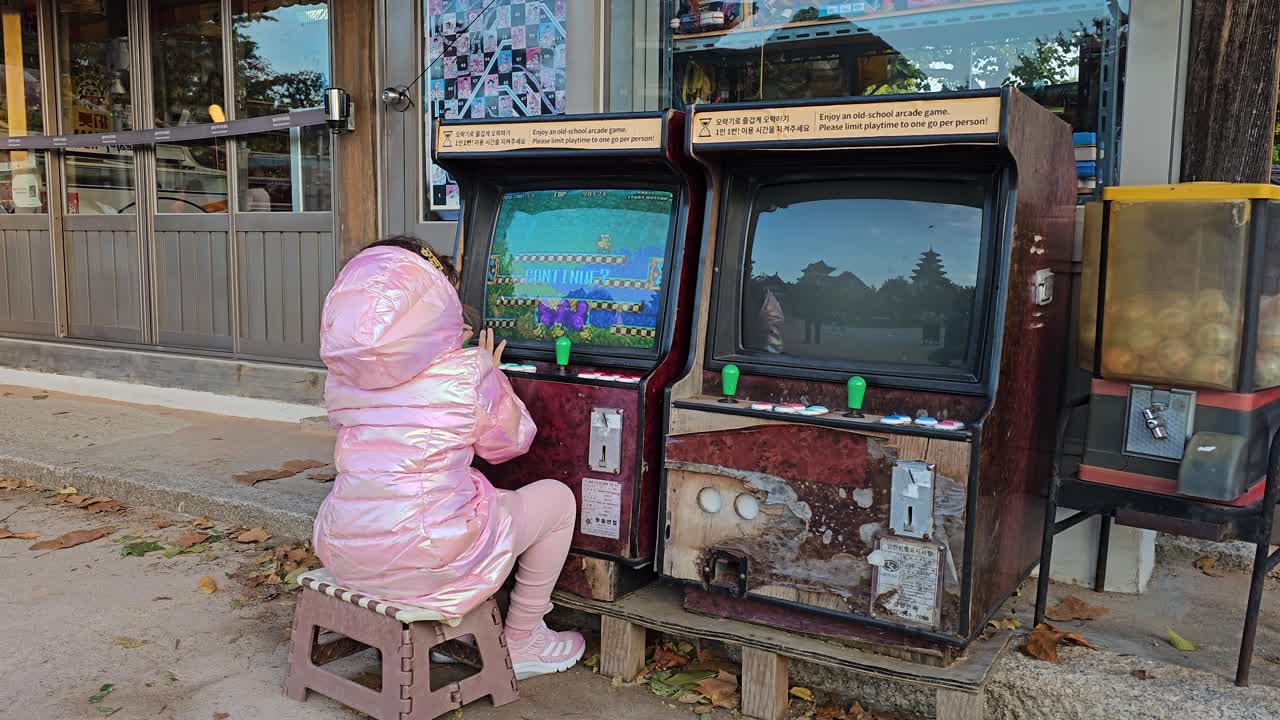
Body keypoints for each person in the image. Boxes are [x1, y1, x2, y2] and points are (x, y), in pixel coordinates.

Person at [313, 234, 585, 681]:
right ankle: (524, 637)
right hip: (431, 555)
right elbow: (511, 444)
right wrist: (492, 373)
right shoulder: (466, 372)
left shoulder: (341, 380)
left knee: (461, 499)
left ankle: (447, 632)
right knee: (555, 499)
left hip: (344, 549)